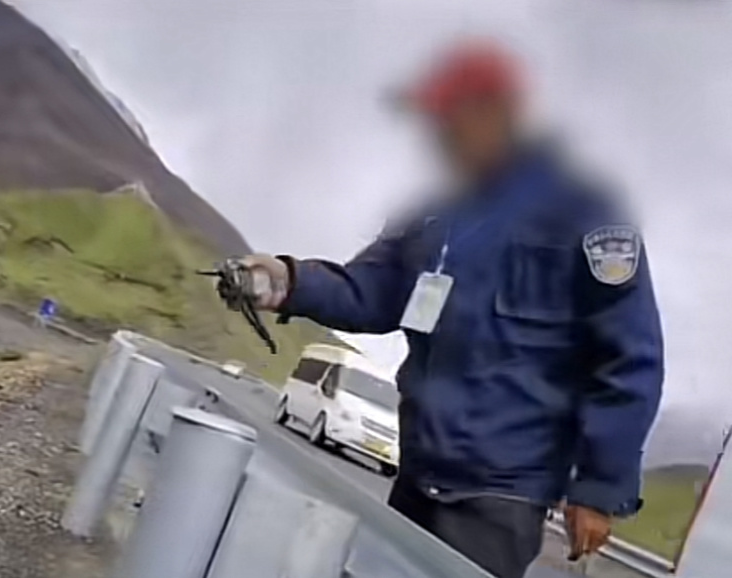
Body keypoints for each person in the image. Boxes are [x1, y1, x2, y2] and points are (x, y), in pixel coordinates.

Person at [239, 39, 664, 578]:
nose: (437, 134)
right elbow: (371, 293)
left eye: (450, 118)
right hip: (417, 475)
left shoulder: (586, 216)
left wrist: (600, 488)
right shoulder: (432, 216)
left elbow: (631, 358)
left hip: (501, 497)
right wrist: (287, 283)